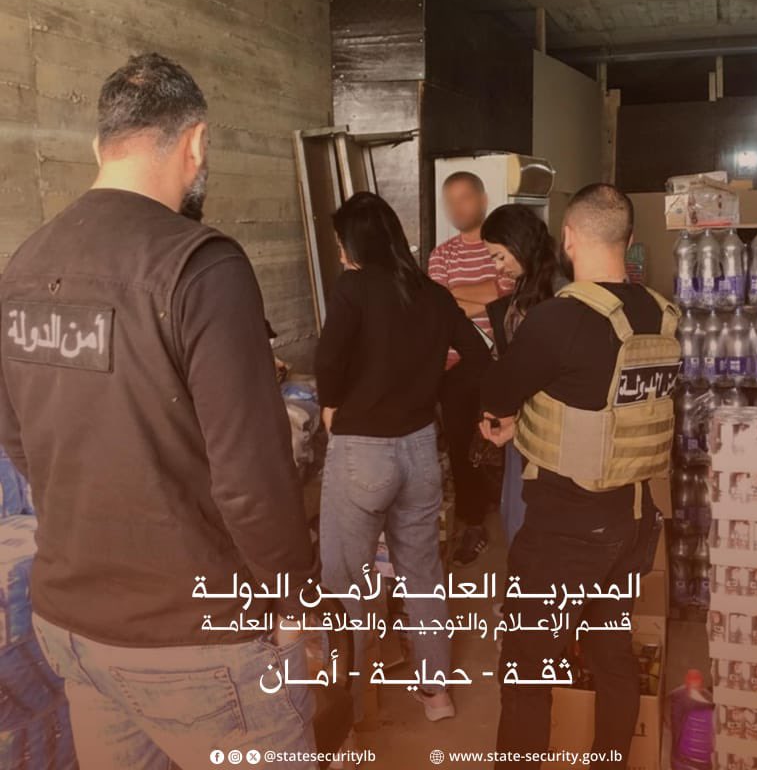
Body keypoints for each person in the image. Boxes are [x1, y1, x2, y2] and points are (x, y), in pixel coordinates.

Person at [0, 54, 317, 768]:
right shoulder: (201, 267)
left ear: (100, 146)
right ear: (195, 143)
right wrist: (295, 601)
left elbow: (19, 441)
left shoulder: (22, 267)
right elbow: (251, 479)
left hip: (72, 628)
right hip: (197, 639)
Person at [480, 184, 681, 765]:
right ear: (629, 240)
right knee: (611, 653)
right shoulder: (662, 315)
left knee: (526, 669)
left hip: (566, 530)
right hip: (635, 521)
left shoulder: (557, 318)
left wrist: (505, 421)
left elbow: (497, 394)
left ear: (568, 238)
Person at [316, 192, 491, 723]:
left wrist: (332, 405)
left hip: (362, 452)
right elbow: (479, 353)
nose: (340, 251)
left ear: (355, 244)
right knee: (422, 574)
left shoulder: (352, 289)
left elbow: (328, 361)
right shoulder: (432, 293)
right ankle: (437, 695)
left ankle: (347, 709)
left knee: (345, 581)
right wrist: (431, 387)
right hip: (419, 450)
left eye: (341, 241)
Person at [429, 172, 515, 564]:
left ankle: (516, 516)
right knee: (463, 445)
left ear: (482, 199)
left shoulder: (502, 247)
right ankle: (473, 522)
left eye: (464, 197)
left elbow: (505, 293)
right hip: (457, 366)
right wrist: (482, 296)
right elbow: (440, 306)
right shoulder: (441, 255)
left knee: (508, 441)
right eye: (450, 200)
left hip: (504, 361)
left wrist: (457, 295)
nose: (457, 207)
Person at [480, 204, 564, 545]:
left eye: (500, 257)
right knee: (515, 516)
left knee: (529, 523)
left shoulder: (559, 291)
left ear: (519, 243)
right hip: (522, 421)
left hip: (544, 427)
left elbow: (551, 370)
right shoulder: (528, 284)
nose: (498, 267)